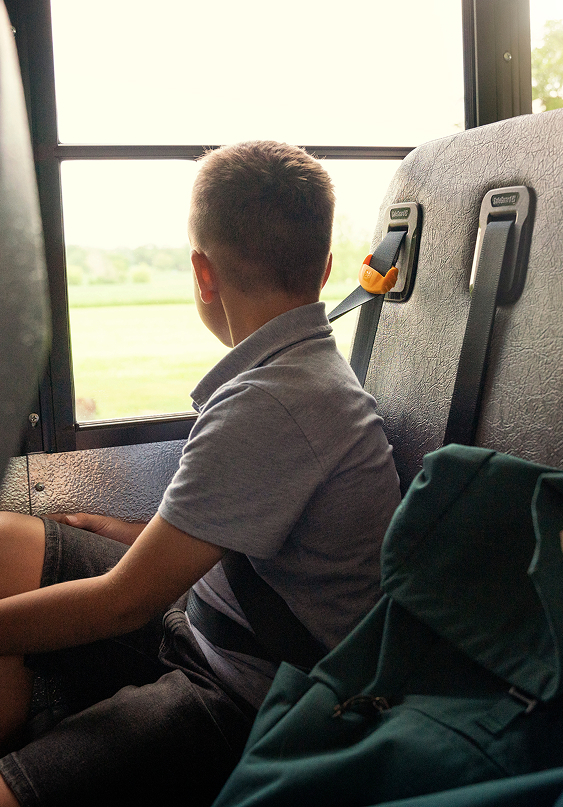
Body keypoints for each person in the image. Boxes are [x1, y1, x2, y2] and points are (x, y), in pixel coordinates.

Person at [0, 141, 401, 807]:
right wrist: (136, 530)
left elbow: (121, 603)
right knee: (11, 543)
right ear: (326, 268)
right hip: (205, 619)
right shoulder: (288, 372)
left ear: (201, 273)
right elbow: (233, 538)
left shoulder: (272, 402)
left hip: (250, 690)